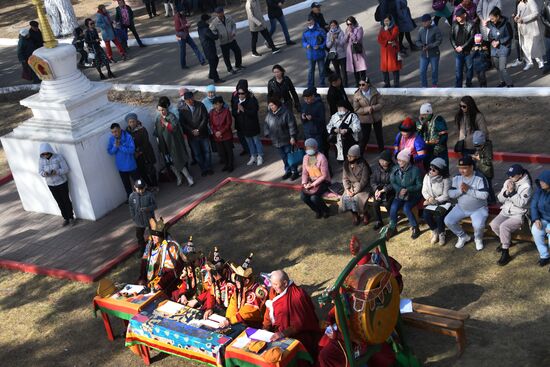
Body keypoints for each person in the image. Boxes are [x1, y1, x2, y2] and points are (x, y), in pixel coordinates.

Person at [263, 270, 320, 358]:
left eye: (275, 284)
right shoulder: (274, 291)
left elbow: (301, 323)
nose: (273, 287)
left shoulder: (298, 296)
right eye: (272, 284)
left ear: (285, 283)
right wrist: (265, 328)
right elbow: (269, 312)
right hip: (277, 333)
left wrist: (282, 334)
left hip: (298, 335)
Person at [490, 164, 533, 266]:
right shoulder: (508, 182)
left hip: (519, 214)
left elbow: (521, 203)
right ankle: (507, 241)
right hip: (506, 211)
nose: (510, 177)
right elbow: (500, 199)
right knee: (494, 224)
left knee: (504, 227)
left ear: (520, 175)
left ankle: (506, 252)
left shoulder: (527, 186)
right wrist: (506, 193)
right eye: (509, 175)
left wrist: (512, 192)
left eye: (512, 175)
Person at [445, 156, 490, 251]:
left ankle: (478, 239)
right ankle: (463, 236)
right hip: (461, 207)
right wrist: (460, 190)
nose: (462, 170)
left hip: (479, 209)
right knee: (448, 220)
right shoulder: (457, 177)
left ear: (471, 167)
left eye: (464, 168)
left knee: (478, 225)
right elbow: (451, 193)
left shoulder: (480, 178)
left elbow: (485, 195)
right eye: (460, 168)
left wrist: (468, 190)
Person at [155, 96, 194, 186]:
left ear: (167, 108)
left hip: (173, 144)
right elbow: (157, 132)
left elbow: (174, 128)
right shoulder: (158, 119)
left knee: (178, 161)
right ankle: (178, 177)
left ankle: (189, 177)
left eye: (163, 110)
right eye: (159, 110)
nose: (161, 112)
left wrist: (165, 123)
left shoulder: (171, 116)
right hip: (164, 146)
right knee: (170, 163)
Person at [139, 217, 185, 293]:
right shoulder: (150, 245)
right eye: (152, 235)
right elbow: (144, 263)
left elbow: (173, 270)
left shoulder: (170, 247)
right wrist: (142, 278)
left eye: (156, 236)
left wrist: (161, 283)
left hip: (164, 281)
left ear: (162, 236)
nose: (153, 237)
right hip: (150, 280)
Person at [386, 149, 422, 240]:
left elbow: (419, 185)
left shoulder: (415, 170)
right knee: (393, 207)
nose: (399, 162)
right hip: (400, 194)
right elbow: (393, 181)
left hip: (414, 194)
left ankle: (415, 228)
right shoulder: (395, 169)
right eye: (398, 160)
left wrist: (408, 189)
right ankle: (393, 227)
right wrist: (400, 189)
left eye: (401, 160)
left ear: (407, 160)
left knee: (406, 208)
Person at [38, 143, 75, 226]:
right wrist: (45, 173)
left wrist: (57, 172)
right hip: (51, 184)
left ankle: (71, 217)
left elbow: (66, 169)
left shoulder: (58, 157)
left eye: (47, 153)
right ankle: (66, 218)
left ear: (50, 151)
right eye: (43, 154)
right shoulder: (41, 160)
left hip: (62, 182)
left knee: (66, 200)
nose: (45, 155)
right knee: (59, 202)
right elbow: (40, 171)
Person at [224, 259, 268, 328]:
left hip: (254, 324)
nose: (236, 282)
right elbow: (233, 304)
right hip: (239, 320)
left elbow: (248, 312)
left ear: (247, 281)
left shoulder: (255, 291)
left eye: (238, 279)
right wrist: (227, 318)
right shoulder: (240, 288)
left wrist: (231, 320)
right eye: (235, 278)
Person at [179, 90, 213, 176]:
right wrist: (191, 131)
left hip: (203, 133)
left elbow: (205, 118)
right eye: (187, 100)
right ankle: (203, 169)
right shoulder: (182, 110)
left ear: (193, 98)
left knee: (207, 151)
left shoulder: (200, 105)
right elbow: (183, 123)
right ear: (185, 101)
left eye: (191, 99)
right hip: (192, 136)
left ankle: (208, 167)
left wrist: (199, 130)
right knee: (197, 154)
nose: (190, 101)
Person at [264, 98, 299, 180]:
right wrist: (267, 133)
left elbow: (292, 125)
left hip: (286, 139)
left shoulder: (286, 113)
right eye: (269, 106)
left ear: (277, 104)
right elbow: (266, 124)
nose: (271, 107)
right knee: (283, 157)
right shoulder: (269, 114)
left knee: (290, 156)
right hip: (276, 141)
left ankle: (295, 171)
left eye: (272, 105)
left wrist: (293, 136)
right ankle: (288, 171)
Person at [422, 157, 451, 246]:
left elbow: (446, 195)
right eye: (430, 168)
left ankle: (442, 233)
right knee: (425, 214)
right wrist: (429, 198)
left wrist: (434, 200)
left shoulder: (446, 179)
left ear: (440, 171)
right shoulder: (427, 176)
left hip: (444, 203)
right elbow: (424, 190)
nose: (431, 171)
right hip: (431, 201)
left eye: (434, 170)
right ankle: (435, 231)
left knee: (439, 216)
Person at [232, 85, 263, 166]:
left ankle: (260, 156)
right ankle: (253, 156)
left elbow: (253, 113)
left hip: (252, 125)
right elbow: (234, 113)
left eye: (242, 93)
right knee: (249, 142)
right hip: (243, 126)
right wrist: (238, 111)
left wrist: (244, 110)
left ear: (246, 93)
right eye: (239, 93)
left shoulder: (252, 100)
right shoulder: (236, 102)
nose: (240, 95)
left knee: (256, 141)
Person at [340, 144, 372, 225]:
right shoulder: (346, 164)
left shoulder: (364, 165)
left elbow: (364, 181)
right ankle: (354, 215)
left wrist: (355, 192)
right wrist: (347, 190)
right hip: (351, 186)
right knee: (346, 198)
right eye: (348, 155)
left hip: (363, 187)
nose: (348, 158)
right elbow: (345, 178)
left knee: (357, 198)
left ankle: (365, 214)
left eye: (351, 156)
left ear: (357, 156)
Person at [126, 113, 158, 191]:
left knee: (151, 170)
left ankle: (155, 185)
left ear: (136, 121)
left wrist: (139, 151)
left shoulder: (142, 129)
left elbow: (146, 142)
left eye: (133, 121)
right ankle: (149, 186)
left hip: (146, 153)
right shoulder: (127, 132)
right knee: (142, 172)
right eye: (130, 122)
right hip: (137, 156)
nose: (132, 123)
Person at [301, 138, 331, 218]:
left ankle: (326, 210)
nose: (308, 150)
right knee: (303, 197)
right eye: (307, 148)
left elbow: (324, 176)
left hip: (323, 182)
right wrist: (304, 183)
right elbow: (304, 172)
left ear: (315, 147)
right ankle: (317, 210)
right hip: (311, 182)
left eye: (310, 148)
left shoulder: (322, 157)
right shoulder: (305, 157)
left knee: (314, 198)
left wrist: (313, 184)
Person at [353, 77, 384, 155]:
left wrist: (373, 108)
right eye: (359, 84)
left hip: (376, 117)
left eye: (363, 84)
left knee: (379, 136)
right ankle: (360, 154)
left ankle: (383, 153)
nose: (361, 86)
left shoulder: (375, 92)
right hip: (365, 119)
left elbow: (381, 103)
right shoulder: (357, 95)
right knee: (365, 137)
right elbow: (356, 109)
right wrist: (367, 109)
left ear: (368, 84)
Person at [108, 123, 138, 198]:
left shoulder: (128, 137)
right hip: (121, 167)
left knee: (138, 183)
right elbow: (110, 152)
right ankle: (130, 199)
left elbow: (132, 150)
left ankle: (143, 197)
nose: (114, 134)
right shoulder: (111, 139)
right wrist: (115, 147)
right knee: (127, 185)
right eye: (112, 132)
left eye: (116, 131)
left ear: (120, 129)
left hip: (131, 165)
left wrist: (120, 147)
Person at [514, 0, 546, 70]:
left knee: (535, 45)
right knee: (525, 46)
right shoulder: (519, 4)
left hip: (531, 27)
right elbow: (518, 14)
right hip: (523, 28)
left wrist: (524, 19)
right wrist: (516, 17)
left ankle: (540, 61)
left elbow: (536, 13)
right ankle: (529, 62)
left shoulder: (530, 1)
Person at [210, 7, 243, 75]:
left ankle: (238, 65)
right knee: (226, 57)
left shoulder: (228, 18)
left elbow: (233, 25)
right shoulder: (214, 22)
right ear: (216, 14)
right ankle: (229, 68)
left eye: (221, 12)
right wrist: (218, 35)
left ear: (223, 12)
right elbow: (212, 31)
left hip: (231, 39)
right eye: (218, 13)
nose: (220, 14)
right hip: (223, 42)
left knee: (238, 51)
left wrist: (233, 32)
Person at [488, 7, 514, 87]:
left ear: (498, 16)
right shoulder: (491, 24)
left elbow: (509, 36)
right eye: (490, 18)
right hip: (494, 49)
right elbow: (489, 35)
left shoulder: (506, 24)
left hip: (504, 48)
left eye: (492, 18)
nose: (491, 20)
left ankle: (509, 84)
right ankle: (502, 81)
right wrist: (492, 41)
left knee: (502, 67)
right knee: (497, 66)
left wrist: (499, 41)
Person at [416, 102, 448, 169]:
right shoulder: (422, 122)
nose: (423, 117)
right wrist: (421, 124)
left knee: (439, 169)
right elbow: (417, 134)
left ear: (429, 113)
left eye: (425, 114)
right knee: (427, 168)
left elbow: (444, 135)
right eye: (422, 115)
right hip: (427, 150)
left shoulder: (438, 120)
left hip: (437, 151)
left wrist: (437, 147)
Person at [370, 149, 396, 230]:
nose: (381, 162)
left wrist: (384, 190)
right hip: (379, 191)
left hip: (390, 192)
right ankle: (378, 221)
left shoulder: (394, 169)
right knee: (375, 203)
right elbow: (372, 180)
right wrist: (376, 190)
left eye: (383, 160)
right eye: (380, 160)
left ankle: (392, 221)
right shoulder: (376, 168)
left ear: (388, 161)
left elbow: (394, 183)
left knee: (387, 204)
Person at [129, 180, 157, 251]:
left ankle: (156, 246)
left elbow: (155, 206)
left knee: (154, 233)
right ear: (135, 187)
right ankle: (142, 249)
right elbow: (131, 207)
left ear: (145, 187)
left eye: (142, 188)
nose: (141, 191)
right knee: (139, 236)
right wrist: (133, 217)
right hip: (138, 220)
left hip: (149, 218)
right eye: (139, 189)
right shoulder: (132, 196)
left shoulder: (149, 195)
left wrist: (147, 209)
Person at [416, 14, 442, 88]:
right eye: (423, 22)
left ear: (430, 21)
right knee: (422, 71)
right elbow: (417, 41)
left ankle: (434, 83)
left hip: (434, 54)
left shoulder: (435, 29)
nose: (424, 24)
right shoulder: (421, 30)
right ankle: (424, 85)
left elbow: (439, 41)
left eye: (426, 22)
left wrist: (430, 46)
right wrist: (421, 45)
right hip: (424, 55)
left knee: (434, 70)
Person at [451, 8, 475, 88]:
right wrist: (455, 47)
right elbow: (451, 37)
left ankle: (468, 84)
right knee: (458, 70)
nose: (457, 18)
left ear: (464, 15)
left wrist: (462, 47)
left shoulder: (471, 24)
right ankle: (458, 86)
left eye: (459, 16)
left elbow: (471, 38)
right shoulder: (454, 24)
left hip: (468, 52)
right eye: (456, 16)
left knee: (469, 69)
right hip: (458, 51)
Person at [531, 170, 550, 268]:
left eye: (543, 181)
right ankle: (545, 256)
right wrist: (536, 219)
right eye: (540, 181)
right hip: (542, 219)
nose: (541, 183)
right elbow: (533, 205)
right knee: (536, 231)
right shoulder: (539, 191)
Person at [209, 96, 234, 172]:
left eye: (217, 104)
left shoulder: (226, 111)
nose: (216, 106)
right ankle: (226, 164)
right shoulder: (211, 112)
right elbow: (211, 124)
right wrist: (215, 132)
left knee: (228, 151)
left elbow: (228, 123)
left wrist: (221, 132)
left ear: (221, 104)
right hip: (217, 136)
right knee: (221, 152)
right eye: (214, 104)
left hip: (226, 135)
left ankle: (230, 165)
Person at [197, 14, 224, 84]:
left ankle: (211, 74)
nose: (210, 21)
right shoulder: (206, 29)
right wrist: (218, 34)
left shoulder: (200, 27)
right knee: (213, 62)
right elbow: (213, 37)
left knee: (215, 60)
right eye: (209, 19)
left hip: (206, 47)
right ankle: (216, 79)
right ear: (206, 20)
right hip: (209, 48)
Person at [301, 87, 327, 157]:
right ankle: (312, 166)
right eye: (305, 99)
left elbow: (322, 119)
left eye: (308, 98)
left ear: (312, 96)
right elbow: (302, 119)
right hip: (307, 133)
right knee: (310, 151)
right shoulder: (304, 105)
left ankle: (321, 165)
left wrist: (312, 118)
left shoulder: (319, 105)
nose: (306, 100)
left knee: (318, 151)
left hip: (317, 133)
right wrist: (303, 117)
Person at [302, 16, 327, 88]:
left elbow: (325, 40)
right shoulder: (305, 32)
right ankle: (310, 85)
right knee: (310, 71)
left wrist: (320, 46)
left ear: (314, 21)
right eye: (308, 22)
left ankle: (322, 84)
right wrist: (306, 45)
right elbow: (304, 41)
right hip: (311, 55)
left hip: (320, 53)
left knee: (322, 70)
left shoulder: (320, 30)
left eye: (311, 21)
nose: (309, 23)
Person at [378, 15, 401, 88]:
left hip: (392, 50)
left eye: (387, 21)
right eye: (385, 21)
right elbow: (379, 39)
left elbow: (392, 38)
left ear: (391, 21)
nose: (386, 23)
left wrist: (387, 31)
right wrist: (386, 42)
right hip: (384, 50)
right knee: (384, 68)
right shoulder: (382, 28)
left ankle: (396, 83)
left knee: (394, 67)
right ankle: (387, 83)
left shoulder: (395, 28)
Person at [471, 130, 495, 202]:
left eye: (479, 146)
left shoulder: (488, 148)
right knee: (481, 186)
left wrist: (479, 158)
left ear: (483, 142)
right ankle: (485, 199)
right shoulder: (480, 147)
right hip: (480, 169)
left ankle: (492, 200)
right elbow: (478, 153)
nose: (477, 148)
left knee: (488, 186)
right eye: (476, 146)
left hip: (487, 172)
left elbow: (489, 160)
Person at [344, 16, 368, 86]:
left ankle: (363, 82)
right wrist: (347, 34)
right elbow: (344, 41)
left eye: (350, 24)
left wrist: (351, 33)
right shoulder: (347, 30)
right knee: (354, 68)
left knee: (361, 68)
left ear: (354, 22)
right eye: (347, 24)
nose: (349, 26)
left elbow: (357, 39)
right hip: (350, 51)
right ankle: (357, 83)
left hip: (357, 50)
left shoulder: (359, 28)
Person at [231, 79, 250, 157]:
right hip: (238, 118)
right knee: (240, 136)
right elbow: (233, 105)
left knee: (248, 137)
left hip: (246, 119)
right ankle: (245, 149)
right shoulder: (234, 94)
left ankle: (250, 151)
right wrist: (236, 112)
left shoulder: (249, 94)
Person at [326, 20, 348, 87]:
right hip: (333, 55)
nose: (333, 27)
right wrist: (332, 40)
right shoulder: (328, 34)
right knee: (337, 71)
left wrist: (336, 39)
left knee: (343, 71)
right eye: (331, 25)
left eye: (334, 25)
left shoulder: (341, 32)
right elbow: (328, 45)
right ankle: (340, 83)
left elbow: (342, 43)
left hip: (342, 54)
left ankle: (345, 84)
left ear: (337, 25)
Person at [542, 0, 550, 74]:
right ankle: (548, 66)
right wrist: (549, 25)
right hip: (548, 33)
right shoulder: (546, 5)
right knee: (548, 51)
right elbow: (543, 17)